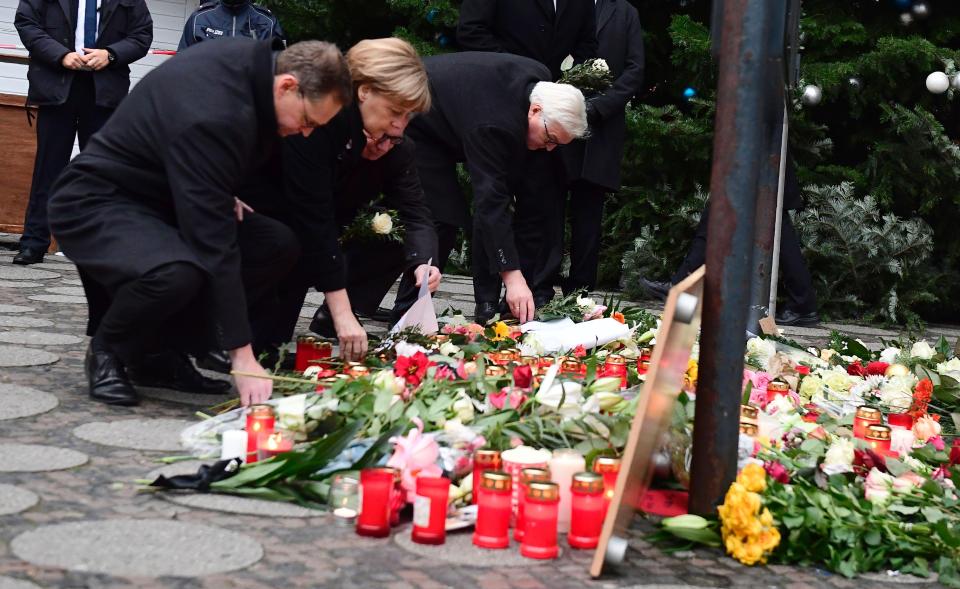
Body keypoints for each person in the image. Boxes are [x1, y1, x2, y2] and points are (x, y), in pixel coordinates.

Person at [47, 38, 352, 407]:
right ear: (287, 85)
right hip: (101, 198)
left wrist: (212, 184)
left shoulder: (253, 66)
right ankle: (109, 350)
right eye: (306, 121)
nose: (306, 133)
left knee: (273, 244)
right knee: (176, 272)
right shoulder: (216, 114)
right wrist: (242, 353)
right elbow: (214, 244)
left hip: (169, 193)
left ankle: (162, 353)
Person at [238, 38, 436, 361]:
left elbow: (416, 211)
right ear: (365, 91)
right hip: (254, 204)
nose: (399, 128)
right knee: (288, 245)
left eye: (408, 117)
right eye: (395, 112)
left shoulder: (362, 127)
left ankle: (267, 344)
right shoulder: (327, 117)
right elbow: (313, 213)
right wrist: (342, 312)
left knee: (299, 250)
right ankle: (235, 340)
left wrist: (425, 262)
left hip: (299, 217)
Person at [398, 52, 589, 324]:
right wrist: (513, 277)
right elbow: (490, 202)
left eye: (557, 144)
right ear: (535, 110)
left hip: (455, 116)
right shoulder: (493, 125)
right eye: (549, 138)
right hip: (418, 119)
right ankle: (406, 314)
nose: (549, 148)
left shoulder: (539, 78)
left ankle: (408, 310)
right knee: (440, 217)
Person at [457, 0, 598, 321]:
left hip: (549, 113)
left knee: (541, 206)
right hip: (501, 101)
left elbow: (588, 45)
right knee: (493, 199)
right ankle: (487, 296)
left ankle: (534, 292)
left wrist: (569, 81)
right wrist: (519, 69)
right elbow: (471, 31)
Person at [13, 0, 153, 265]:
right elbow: (26, 23)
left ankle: (101, 247)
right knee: (48, 169)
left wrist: (110, 54)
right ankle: (33, 243)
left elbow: (142, 34)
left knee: (102, 173)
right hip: (56, 86)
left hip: (105, 92)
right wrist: (61, 55)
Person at [640, 156, 819, 326]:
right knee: (770, 219)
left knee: (753, 214)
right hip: (759, 153)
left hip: (758, 151)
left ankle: (683, 286)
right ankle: (803, 302)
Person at [560, 0, 644, 293]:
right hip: (558, 117)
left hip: (601, 127)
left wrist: (599, 107)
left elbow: (634, 70)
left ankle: (580, 292)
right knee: (548, 208)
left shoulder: (625, 12)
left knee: (589, 216)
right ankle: (538, 285)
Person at [178, 0, 285, 51]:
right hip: (205, 93)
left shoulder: (267, 22)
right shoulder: (199, 18)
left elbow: (279, 70)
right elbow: (180, 64)